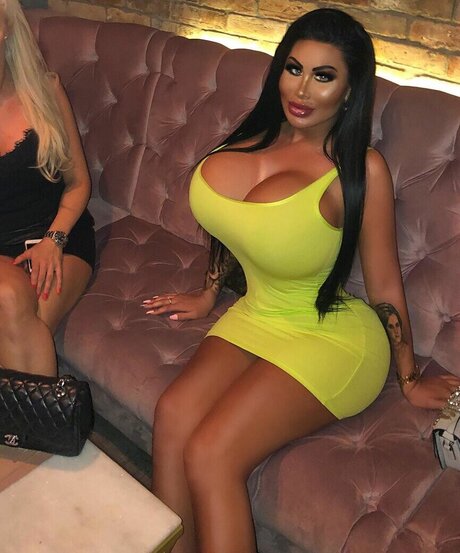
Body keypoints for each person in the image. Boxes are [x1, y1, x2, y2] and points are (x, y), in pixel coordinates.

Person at [143, 8, 460, 553]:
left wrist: (409, 377)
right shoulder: (252, 138)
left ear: (350, 89)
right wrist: (209, 291)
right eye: (294, 68)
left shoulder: (359, 169)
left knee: (212, 453)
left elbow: (385, 284)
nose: (302, 89)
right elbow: (236, 230)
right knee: (172, 416)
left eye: (323, 75)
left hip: (331, 335)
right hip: (259, 313)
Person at [0, 0, 95, 377]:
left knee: (18, 321)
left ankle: (28, 419)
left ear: (6, 28)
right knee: (8, 297)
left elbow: (79, 183)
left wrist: (53, 240)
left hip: (61, 235)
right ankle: (44, 418)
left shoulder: (45, 91)